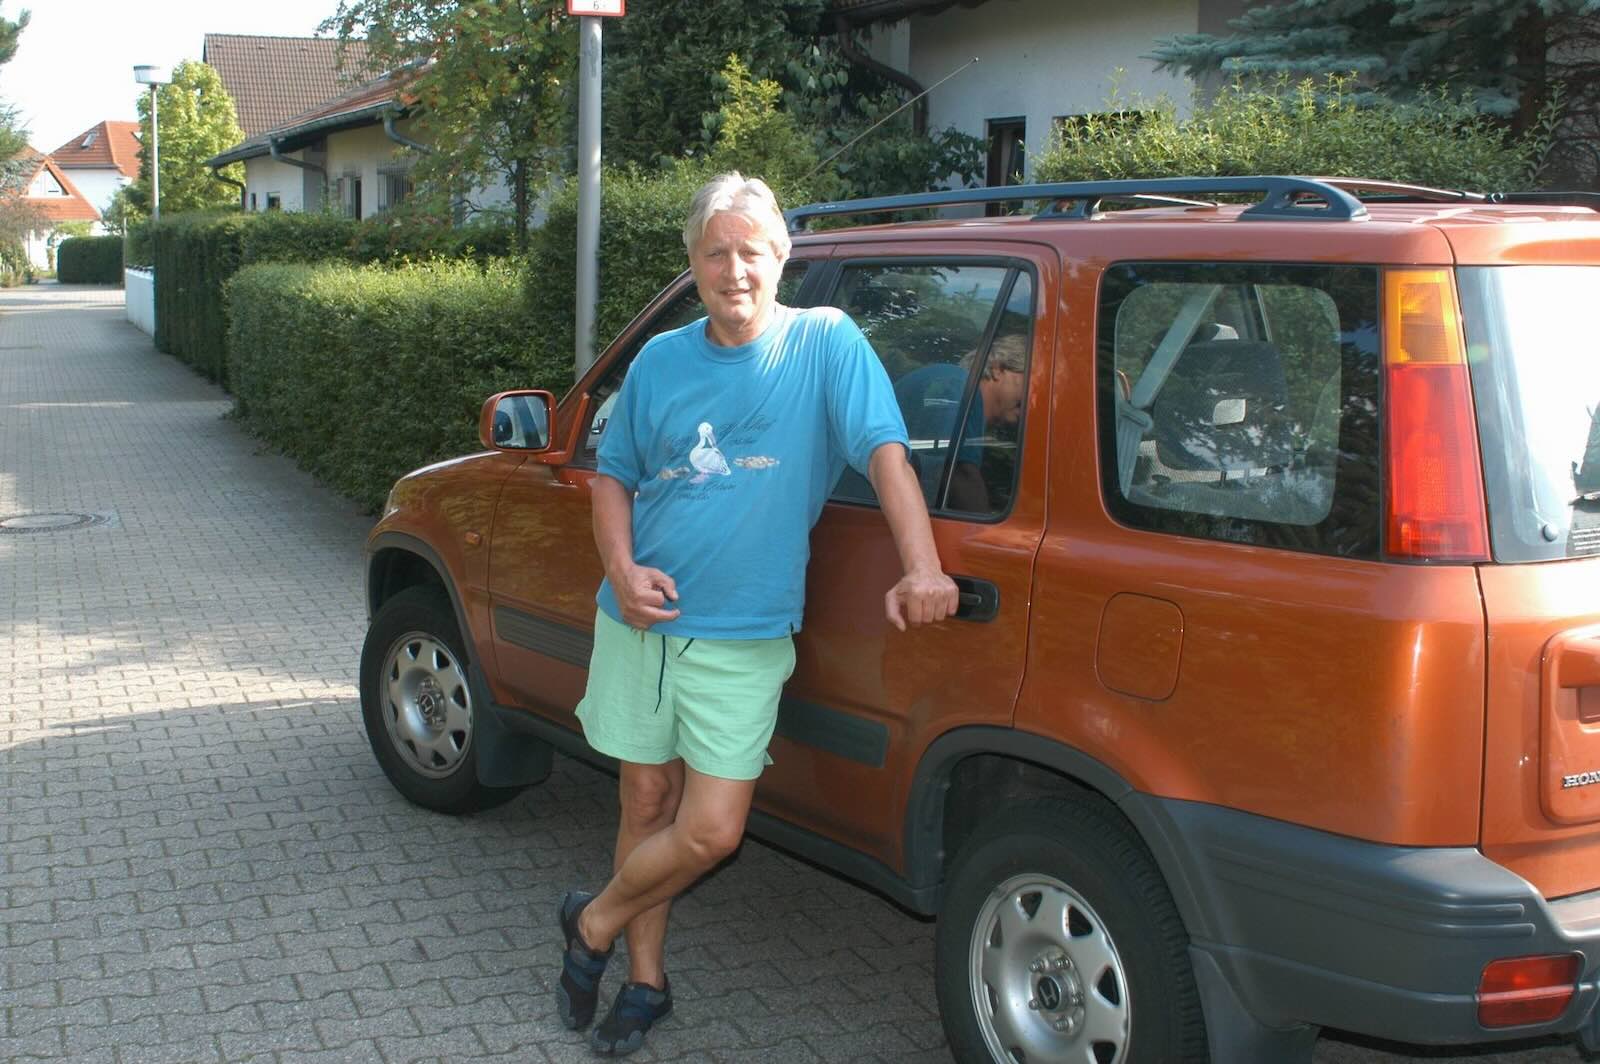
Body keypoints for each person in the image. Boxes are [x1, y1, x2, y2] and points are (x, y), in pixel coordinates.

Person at [555, 172, 959, 1056]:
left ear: (781, 257)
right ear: (693, 264)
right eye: (714, 253)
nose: (732, 270)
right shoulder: (661, 360)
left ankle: (592, 923)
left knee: (710, 830)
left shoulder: (825, 342)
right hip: (640, 621)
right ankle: (646, 983)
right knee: (645, 798)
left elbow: (886, 454)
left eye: (749, 252)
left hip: (743, 633)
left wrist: (923, 565)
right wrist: (621, 569)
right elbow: (613, 478)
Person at [893, 332, 1027, 512]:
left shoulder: (952, 383)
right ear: (997, 370)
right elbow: (959, 474)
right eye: (1030, 381)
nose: (1033, 396)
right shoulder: (960, 388)